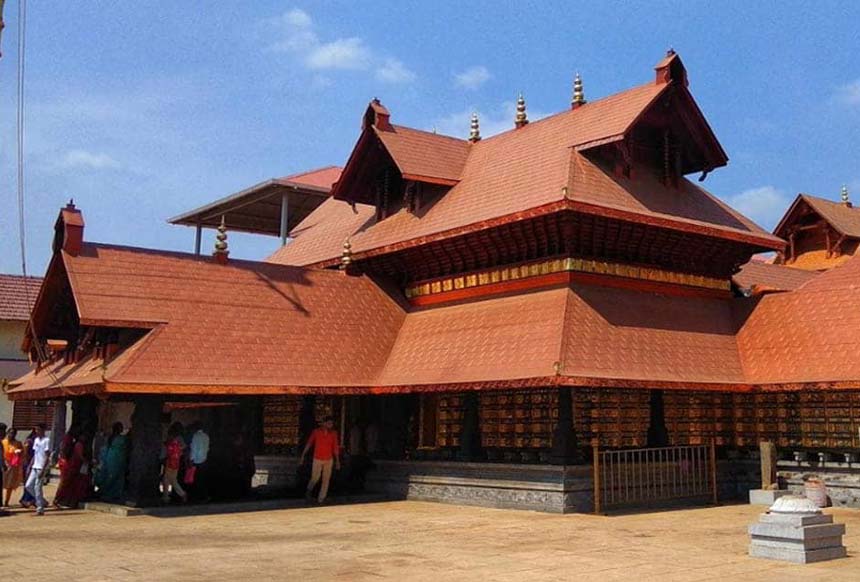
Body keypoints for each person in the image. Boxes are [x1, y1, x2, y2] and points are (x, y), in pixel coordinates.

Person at [301, 416, 340, 504]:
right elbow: (309, 443)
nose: (330, 425)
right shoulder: (316, 432)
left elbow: (335, 447)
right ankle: (309, 490)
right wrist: (303, 455)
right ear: (324, 423)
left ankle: (321, 498)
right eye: (329, 423)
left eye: (331, 424)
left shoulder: (333, 433)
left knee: (326, 479)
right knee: (315, 477)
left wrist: (337, 461)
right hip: (318, 458)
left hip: (328, 459)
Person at [96, 422, 128, 502]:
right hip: (117, 459)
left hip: (109, 458)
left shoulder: (109, 438)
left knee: (108, 476)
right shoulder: (121, 439)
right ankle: (112, 495)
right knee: (115, 477)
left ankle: (105, 493)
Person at [24, 423, 50, 516]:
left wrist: (43, 469)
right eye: (36, 430)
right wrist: (30, 465)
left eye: (38, 430)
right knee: (28, 485)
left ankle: (40, 509)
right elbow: (35, 454)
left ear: (43, 430)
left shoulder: (47, 440)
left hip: (41, 467)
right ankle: (42, 501)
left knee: (37, 487)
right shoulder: (36, 440)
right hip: (35, 466)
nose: (36, 431)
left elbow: (47, 456)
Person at [162, 423, 187, 503]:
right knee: (169, 479)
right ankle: (166, 497)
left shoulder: (170, 439)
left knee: (170, 479)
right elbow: (184, 447)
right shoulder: (180, 438)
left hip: (169, 461)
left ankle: (181, 494)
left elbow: (166, 449)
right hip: (176, 461)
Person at [2, 428, 26, 507]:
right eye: (10, 433)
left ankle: (6, 501)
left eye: (13, 433)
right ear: (7, 433)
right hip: (3, 464)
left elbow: (23, 453)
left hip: (13, 466)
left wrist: (19, 452)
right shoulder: (3, 442)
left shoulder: (18, 443)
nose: (11, 435)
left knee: (9, 485)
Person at [188, 422, 210, 501]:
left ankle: (197, 496)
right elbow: (207, 448)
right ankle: (204, 496)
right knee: (203, 479)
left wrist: (191, 460)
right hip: (204, 459)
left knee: (196, 479)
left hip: (196, 461)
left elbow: (193, 449)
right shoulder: (206, 436)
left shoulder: (195, 436)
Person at [19, 430, 37, 508]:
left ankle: (29, 499)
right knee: (29, 483)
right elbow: (26, 453)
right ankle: (26, 499)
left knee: (32, 483)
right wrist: (28, 463)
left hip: (33, 464)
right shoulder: (29, 441)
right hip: (28, 465)